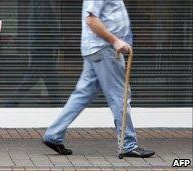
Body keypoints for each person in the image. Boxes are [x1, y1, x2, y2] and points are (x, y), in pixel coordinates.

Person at [42, 0, 155, 158]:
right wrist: (115, 41)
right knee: (120, 95)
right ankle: (128, 144)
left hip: (97, 49)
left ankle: (53, 135)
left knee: (82, 95)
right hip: (105, 50)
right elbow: (91, 19)